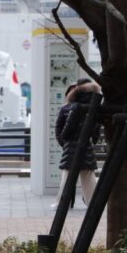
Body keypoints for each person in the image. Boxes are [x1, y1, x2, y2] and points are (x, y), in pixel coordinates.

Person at [53, 78, 101, 207]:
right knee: (88, 177)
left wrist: (64, 140)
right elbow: (96, 128)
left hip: (72, 146)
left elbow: (65, 127)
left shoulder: (73, 106)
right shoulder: (95, 106)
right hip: (87, 146)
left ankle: (62, 203)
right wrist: (92, 140)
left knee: (67, 177)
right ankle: (93, 204)